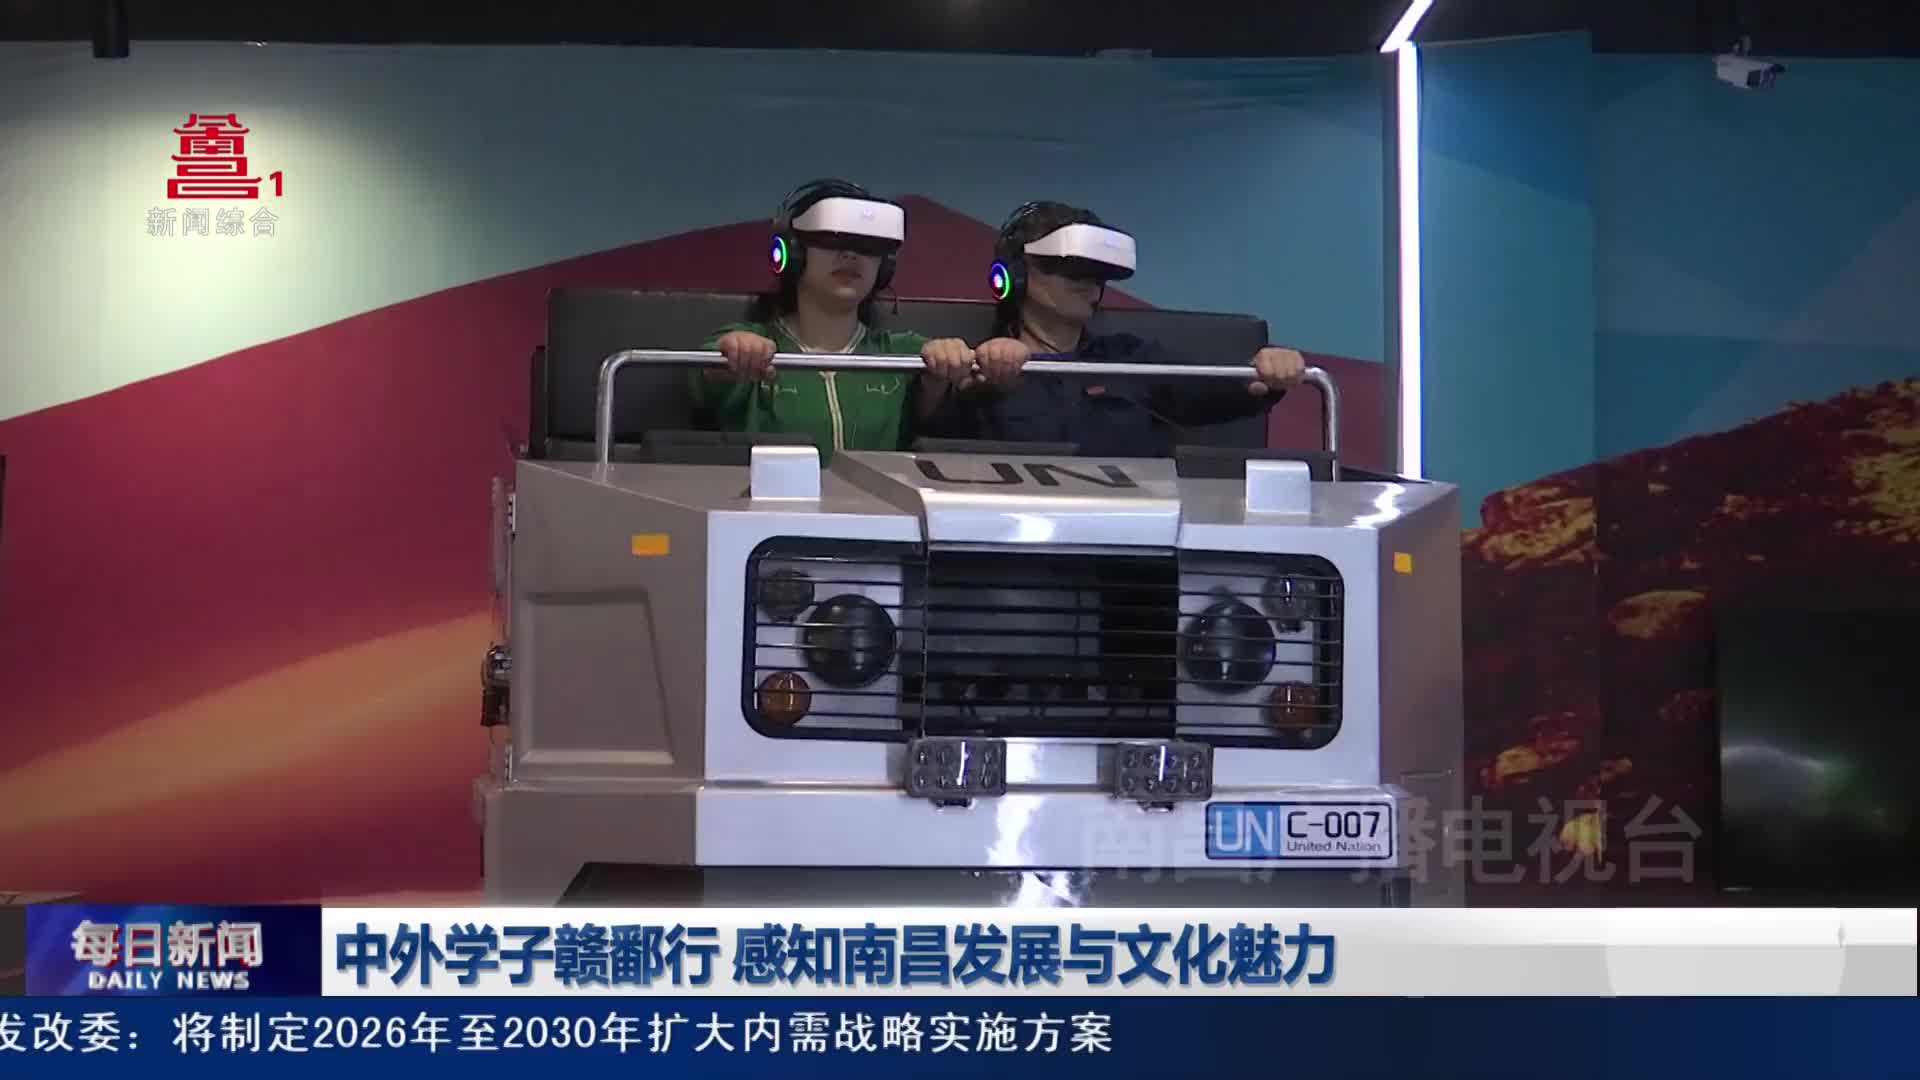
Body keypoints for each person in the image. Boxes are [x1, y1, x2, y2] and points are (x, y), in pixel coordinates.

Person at [917, 201, 1308, 458]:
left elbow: (1225, 392)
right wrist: (971, 381)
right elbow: (929, 445)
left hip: (1133, 543)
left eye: (1097, 272)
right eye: (1071, 269)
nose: (1089, 283)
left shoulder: (1130, 360)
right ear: (1015, 276)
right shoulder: (976, 369)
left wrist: (1268, 373)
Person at [694, 178, 969, 458]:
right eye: (832, 240)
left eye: (867, 246)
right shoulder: (749, 340)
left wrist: (943, 371)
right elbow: (705, 379)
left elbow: (940, 417)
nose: (850, 255)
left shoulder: (906, 353)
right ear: (794, 254)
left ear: (884, 267)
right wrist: (735, 356)